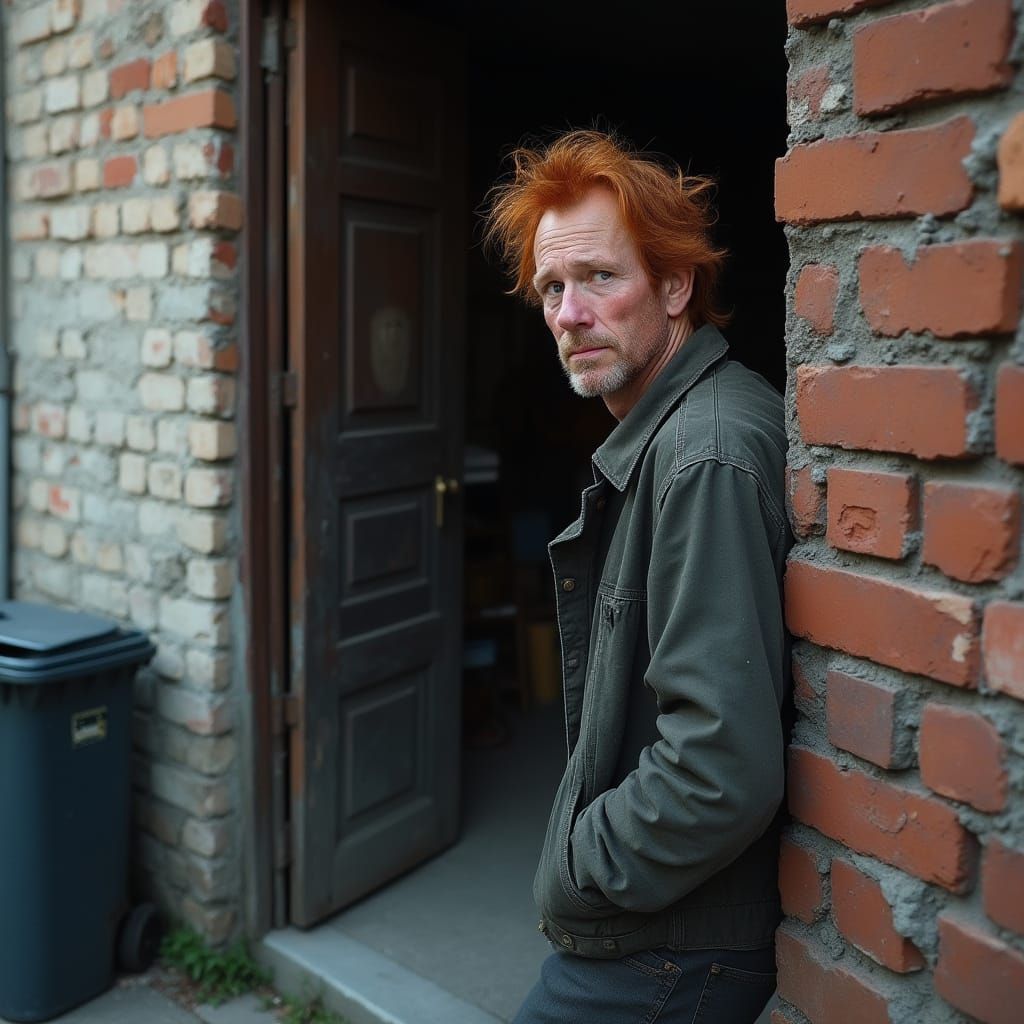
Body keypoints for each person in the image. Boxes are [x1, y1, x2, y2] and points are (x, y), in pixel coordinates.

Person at [482, 130, 791, 1023]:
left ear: (676, 284)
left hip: (670, 957)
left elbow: (718, 770)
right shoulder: (672, 434)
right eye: (551, 288)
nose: (569, 313)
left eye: (601, 279)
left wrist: (573, 869)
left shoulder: (704, 454)